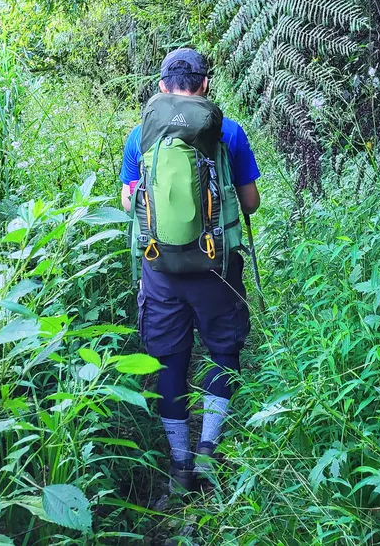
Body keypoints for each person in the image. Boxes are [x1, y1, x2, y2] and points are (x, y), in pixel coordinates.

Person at [119, 47, 260, 492]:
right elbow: (252, 201)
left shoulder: (139, 134)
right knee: (223, 352)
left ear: (162, 87)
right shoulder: (228, 132)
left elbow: (128, 201)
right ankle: (207, 454)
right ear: (205, 85)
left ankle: (179, 466)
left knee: (169, 359)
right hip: (216, 265)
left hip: (160, 268)